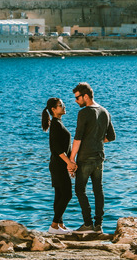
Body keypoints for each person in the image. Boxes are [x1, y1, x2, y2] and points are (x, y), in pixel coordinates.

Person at [69, 82, 116, 234]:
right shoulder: (105, 111)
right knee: (98, 190)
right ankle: (99, 225)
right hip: (99, 158)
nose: (76, 101)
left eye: (77, 98)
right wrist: (96, 139)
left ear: (86, 96)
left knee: (79, 190)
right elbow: (111, 137)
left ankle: (88, 223)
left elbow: (77, 139)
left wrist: (71, 159)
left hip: (85, 158)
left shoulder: (84, 113)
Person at [42, 97, 77, 235]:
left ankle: (59, 225)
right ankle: (54, 225)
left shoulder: (58, 123)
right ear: (53, 109)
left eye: (63, 104)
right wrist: (69, 162)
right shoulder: (56, 125)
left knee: (59, 194)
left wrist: (68, 164)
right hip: (58, 165)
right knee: (67, 194)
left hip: (59, 165)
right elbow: (56, 148)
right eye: (60, 105)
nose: (64, 106)